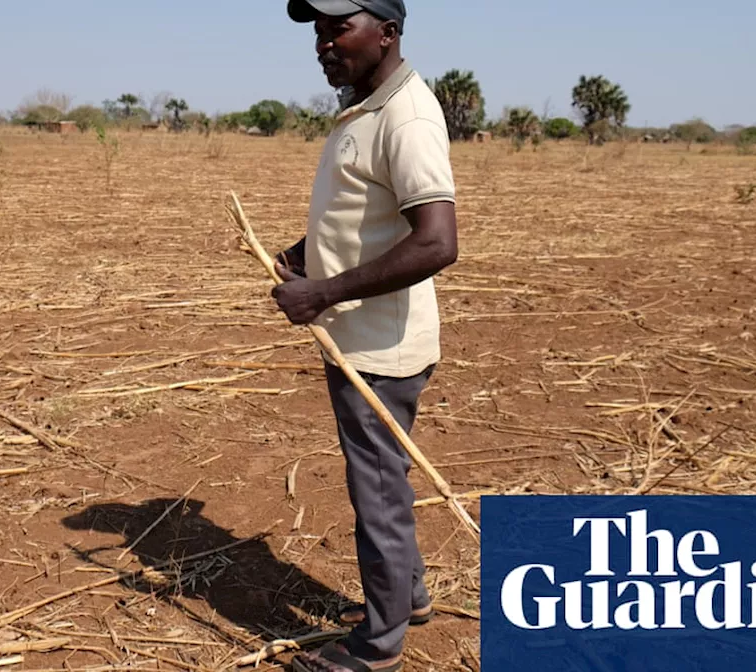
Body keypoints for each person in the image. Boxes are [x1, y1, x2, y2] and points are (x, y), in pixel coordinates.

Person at [272, 1, 458, 670]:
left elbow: (436, 243)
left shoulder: (403, 118)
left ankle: (378, 648)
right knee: (387, 480)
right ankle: (406, 599)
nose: (325, 43)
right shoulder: (369, 106)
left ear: (386, 30)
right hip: (365, 336)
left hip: (377, 349)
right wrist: (305, 256)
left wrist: (321, 292)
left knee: (376, 493)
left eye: (338, 27)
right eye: (319, 31)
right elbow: (366, 218)